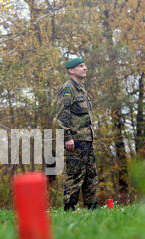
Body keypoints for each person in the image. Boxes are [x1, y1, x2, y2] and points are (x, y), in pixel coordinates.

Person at [54, 57, 98, 211]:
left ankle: (92, 207)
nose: (85, 68)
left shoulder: (81, 89)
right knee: (75, 175)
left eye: (85, 65)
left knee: (90, 175)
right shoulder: (68, 89)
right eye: (81, 66)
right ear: (71, 70)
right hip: (75, 140)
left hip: (87, 138)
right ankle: (69, 207)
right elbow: (61, 116)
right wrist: (67, 138)